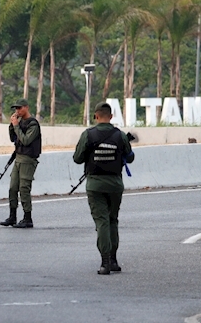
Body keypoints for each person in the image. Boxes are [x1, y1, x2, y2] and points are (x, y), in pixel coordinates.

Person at [73, 102, 134, 275]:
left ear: (96, 116)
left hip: (95, 185)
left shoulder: (88, 134)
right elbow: (130, 158)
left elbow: (77, 158)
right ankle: (113, 260)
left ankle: (105, 262)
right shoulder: (120, 135)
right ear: (111, 117)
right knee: (113, 220)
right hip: (115, 184)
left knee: (102, 222)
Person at [0, 99, 41, 228]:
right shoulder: (20, 122)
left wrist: (16, 126)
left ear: (26, 107)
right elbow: (13, 138)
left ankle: (27, 218)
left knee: (24, 188)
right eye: (16, 108)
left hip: (28, 159)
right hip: (18, 157)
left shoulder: (33, 124)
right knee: (13, 188)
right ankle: (12, 216)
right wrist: (12, 125)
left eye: (20, 108)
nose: (18, 111)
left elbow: (26, 140)